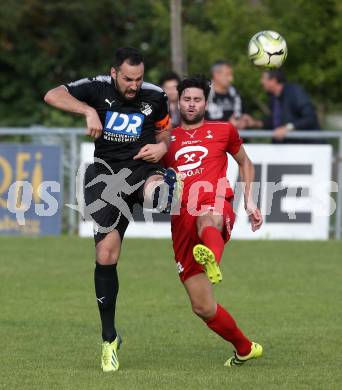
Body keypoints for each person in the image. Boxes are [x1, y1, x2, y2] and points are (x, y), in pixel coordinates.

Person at [44, 47, 180, 372]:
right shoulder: (96, 88)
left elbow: (165, 131)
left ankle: (166, 187)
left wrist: (162, 146)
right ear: (114, 72)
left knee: (159, 196)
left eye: (139, 79)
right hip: (106, 177)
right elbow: (52, 95)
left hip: (143, 170)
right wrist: (87, 111)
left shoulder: (156, 96)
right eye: (128, 79)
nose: (134, 86)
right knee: (106, 255)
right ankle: (109, 340)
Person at [163, 75, 263, 367]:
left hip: (215, 202)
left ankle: (212, 259)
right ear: (178, 102)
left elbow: (245, 161)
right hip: (180, 220)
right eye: (186, 99)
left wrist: (249, 200)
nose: (191, 104)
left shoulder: (223, 130)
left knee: (207, 217)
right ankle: (245, 348)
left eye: (197, 99)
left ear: (206, 102)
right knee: (203, 307)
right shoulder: (165, 138)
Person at [246, 69, 321, 143]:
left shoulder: (294, 92)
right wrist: (255, 123)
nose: (261, 82)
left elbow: (310, 118)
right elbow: (274, 123)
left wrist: (287, 128)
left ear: (274, 80)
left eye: (263, 78)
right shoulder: (273, 98)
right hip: (285, 149)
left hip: (305, 149)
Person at [205, 60, 247, 129]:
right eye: (227, 74)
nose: (231, 78)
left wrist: (244, 121)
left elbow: (243, 114)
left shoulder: (235, 93)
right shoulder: (203, 93)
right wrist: (227, 124)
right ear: (216, 74)